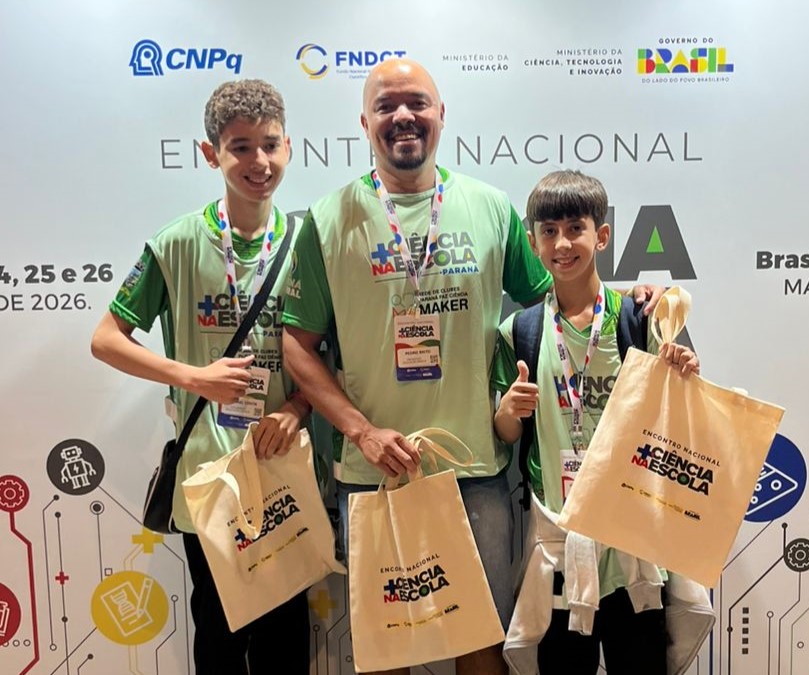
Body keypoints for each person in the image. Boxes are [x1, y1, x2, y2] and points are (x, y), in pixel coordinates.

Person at [280, 59, 663, 675]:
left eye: (417, 103)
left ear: (440, 116)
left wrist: (633, 299)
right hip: (375, 469)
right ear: (364, 121)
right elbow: (297, 344)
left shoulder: (488, 207)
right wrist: (360, 430)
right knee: (386, 646)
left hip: (477, 472)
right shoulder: (327, 220)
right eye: (386, 106)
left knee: (480, 638)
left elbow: (562, 292)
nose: (403, 116)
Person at [90, 79, 310, 674]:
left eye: (269, 144)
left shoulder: (307, 243)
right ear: (210, 153)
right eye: (240, 147)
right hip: (210, 472)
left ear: (289, 147)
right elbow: (105, 339)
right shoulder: (177, 242)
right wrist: (193, 377)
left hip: (284, 467)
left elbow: (328, 354)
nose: (258, 162)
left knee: (286, 636)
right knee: (218, 628)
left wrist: (295, 411)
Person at [492, 169, 704, 674]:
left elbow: (684, 415)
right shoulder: (517, 332)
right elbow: (506, 436)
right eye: (548, 231)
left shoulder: (638, 318)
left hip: (633, 540)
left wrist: (684, 369)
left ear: (601, 235)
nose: (562, 243)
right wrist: (506, 413)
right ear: (532, 239)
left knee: (641, 663)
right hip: (560, 544)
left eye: (575, 228)